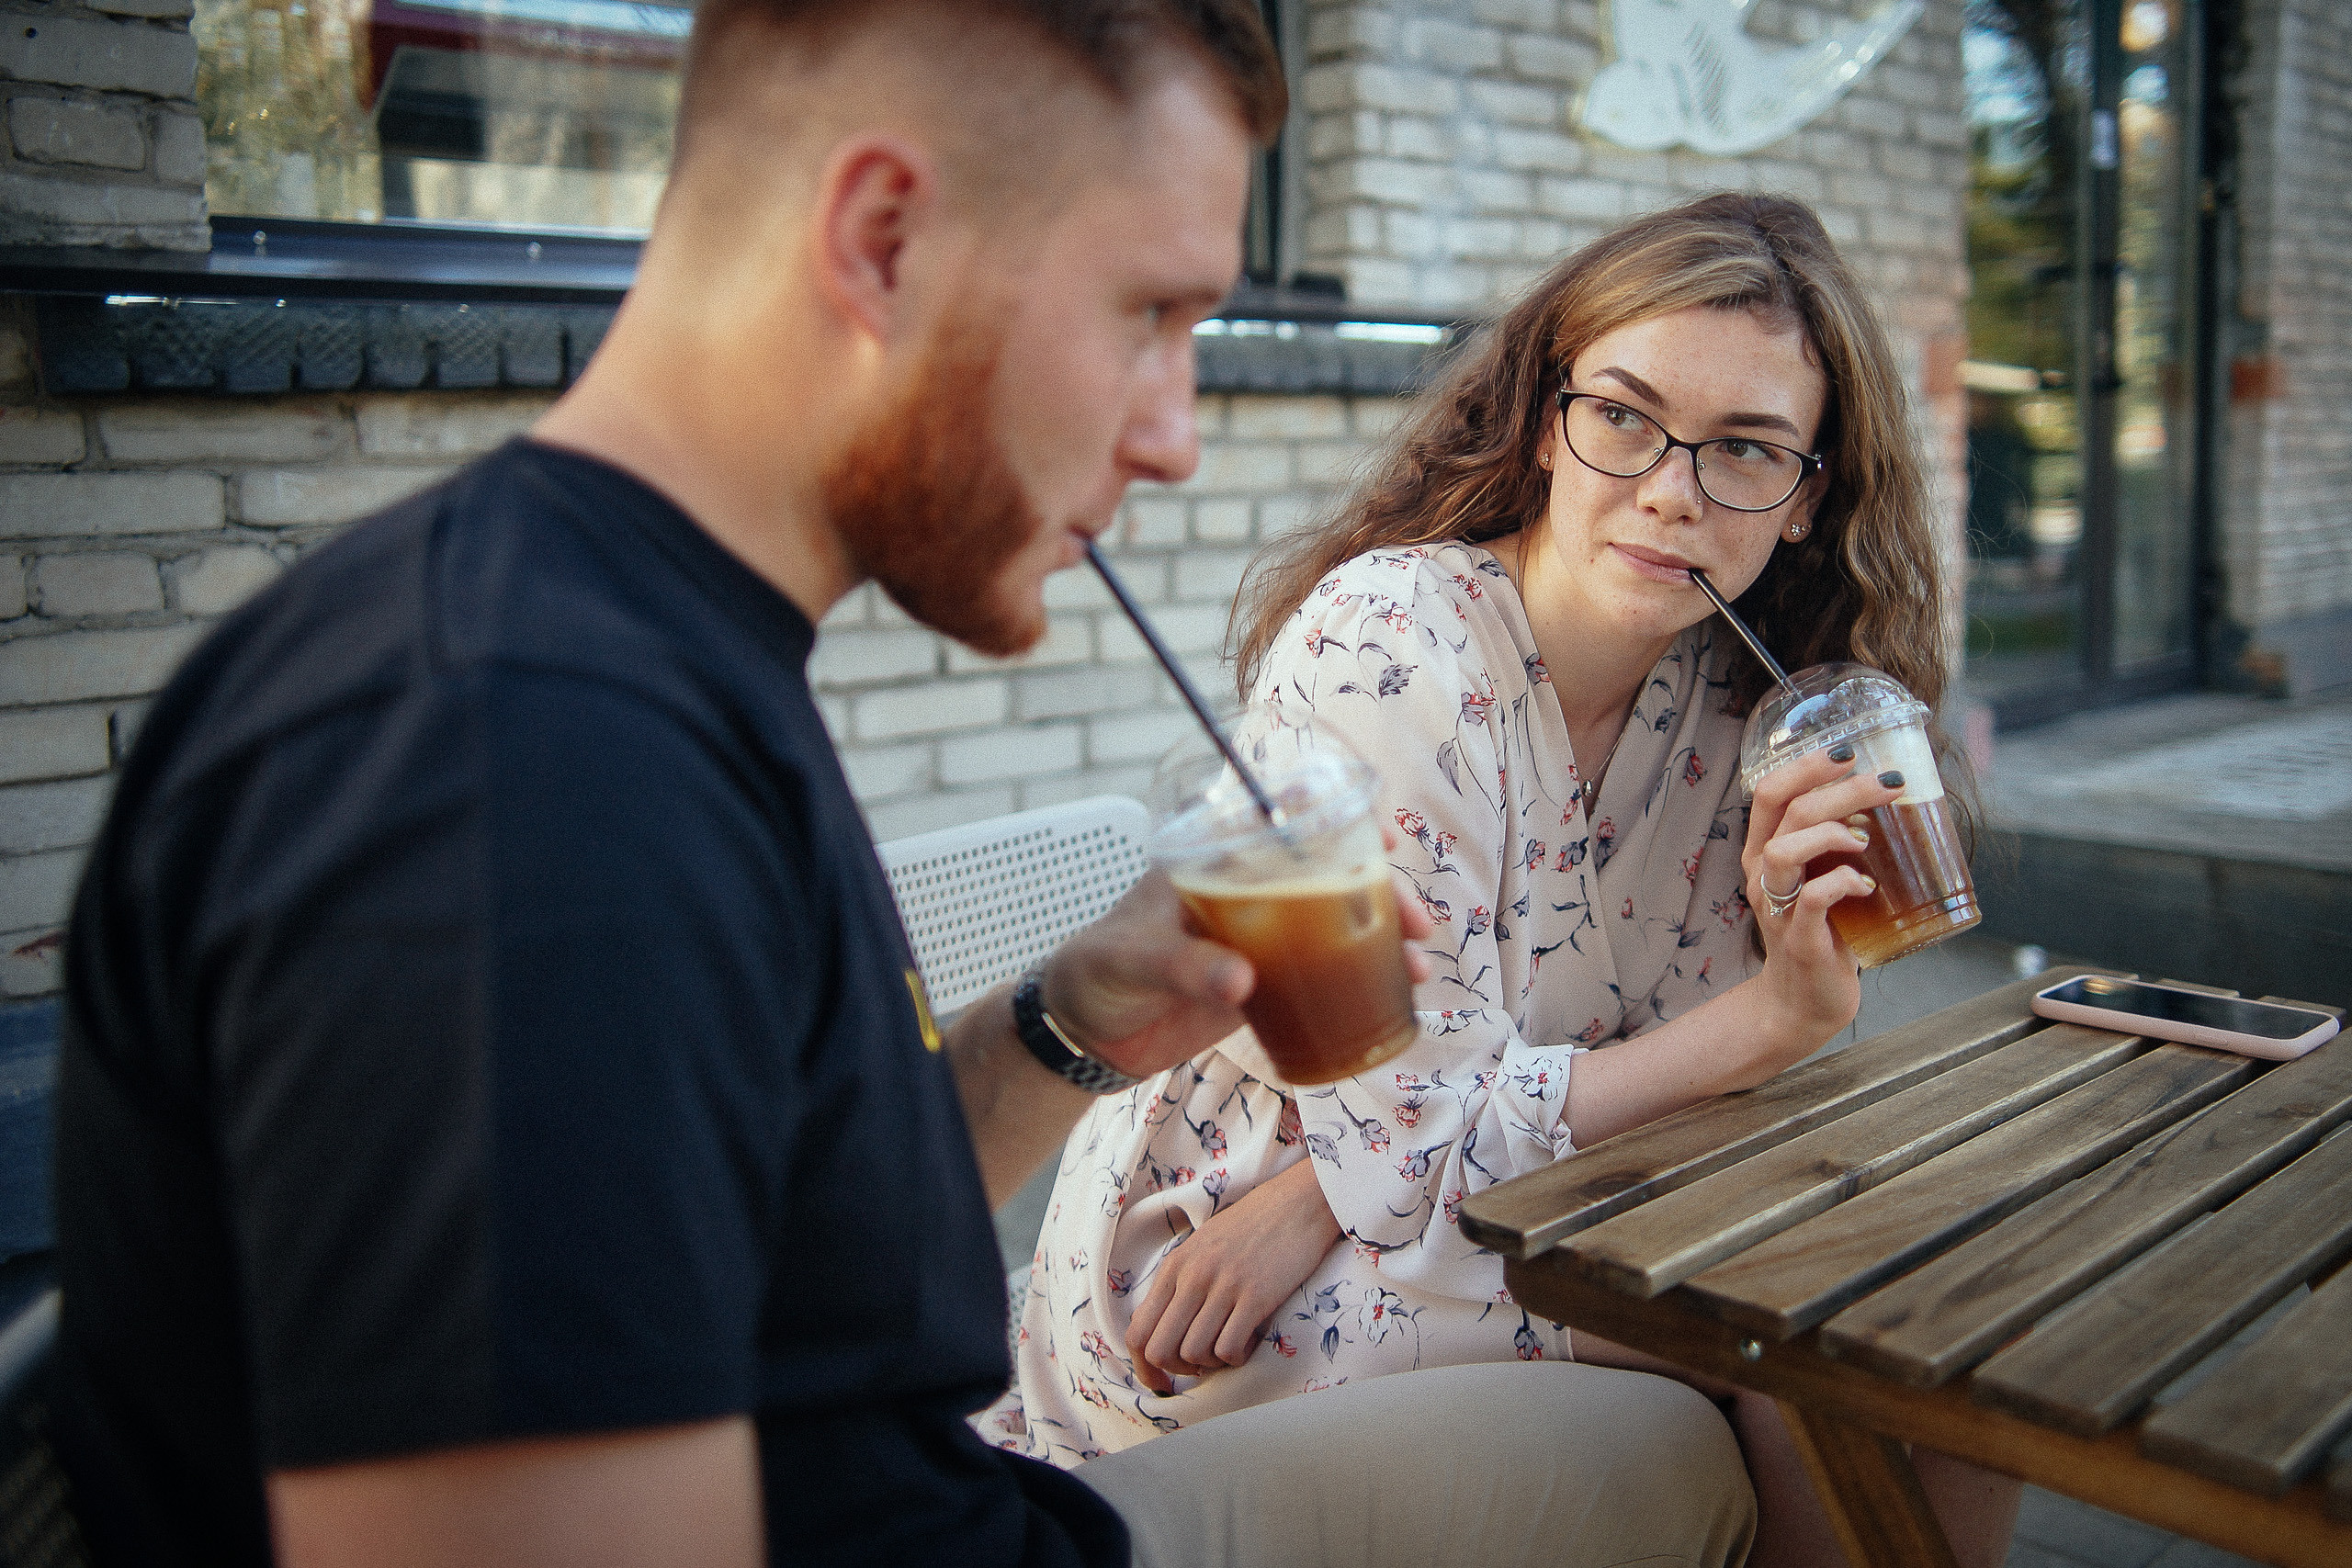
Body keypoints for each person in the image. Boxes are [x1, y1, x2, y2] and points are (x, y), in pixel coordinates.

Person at [50, 5, 1760, 1566]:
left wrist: (1064, 1029)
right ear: (882, 241)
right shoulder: (519, 777)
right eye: (1152, 315)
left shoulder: (647, 655)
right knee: (1721, 1440)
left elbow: (771, 1242)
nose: (1175, 428)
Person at [996, 193, 2021, 1568]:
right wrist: (1776, 1019)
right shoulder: (1395, 652)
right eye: (1625, 416)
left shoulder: (1741, 710)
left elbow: (1644, 1112)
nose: (1672, 487)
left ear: (1807, 494)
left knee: (1936, 1337)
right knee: (1838, 1348)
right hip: (1211, 1276)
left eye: (1747, 450)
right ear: (1549, 421)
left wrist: (1333, 1180)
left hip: (1425, 1205)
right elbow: (1426, 1153)